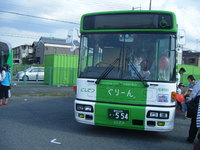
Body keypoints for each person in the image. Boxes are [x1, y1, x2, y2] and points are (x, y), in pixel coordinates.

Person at [186, 75, 200, 144]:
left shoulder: (198, 83)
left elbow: (194, 94)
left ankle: (191, 138)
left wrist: (190, 100)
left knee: (195, 121)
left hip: (197, 103)